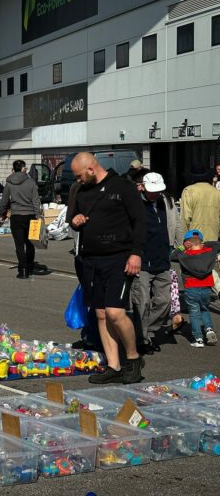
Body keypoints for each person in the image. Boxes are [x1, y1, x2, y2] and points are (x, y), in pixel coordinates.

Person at [69, 152, 146, 384]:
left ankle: (133, 358)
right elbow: (71, 216)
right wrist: (75, 220)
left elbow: (140, 220)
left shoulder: (122, 186)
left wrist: (136, 254)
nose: (78, 180)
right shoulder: (80, 190)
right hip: (91, 259)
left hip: (119, 257)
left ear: (91, 169)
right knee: (101, 314)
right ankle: (113, 365)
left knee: (115, 312)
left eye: (80, 175)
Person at [129, 170, 177, 354]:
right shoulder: (134, 203)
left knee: (165, 302)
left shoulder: (165, 201)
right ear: (143, 187)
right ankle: (142, 339)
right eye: (152, 190)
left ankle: (147, 332)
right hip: (142, 261)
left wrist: (178, 244)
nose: (155, 193)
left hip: (162, 260)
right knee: (143, 302)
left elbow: (175, 223)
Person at [172, 229, 220, 347]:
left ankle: (198, 339)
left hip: (191, 288)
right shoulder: (209, 251)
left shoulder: (184, 255)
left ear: (187, 242)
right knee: (204, 309)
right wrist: (205, 243)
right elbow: (217, 244)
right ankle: (209, 329)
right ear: (201, 242)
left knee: (194, 313)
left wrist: (183, 247)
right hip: (206, 288)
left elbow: (172, 256)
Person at [0, 161, 41, 279]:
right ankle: (30, 266)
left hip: (16, 216)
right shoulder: (31, 182)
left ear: (14, 169)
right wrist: (37, 215)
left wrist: (3, 213)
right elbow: (36, 200)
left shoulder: (9, 183)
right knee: (30, 243)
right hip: (30, 216)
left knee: (19, 245)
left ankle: (22, 270)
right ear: (23, 169)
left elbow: (4, 201)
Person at [181, 163, 220, 242]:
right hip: (214, 237)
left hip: (195, 239)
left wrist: (184, 241)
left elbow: (185, 218)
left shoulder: (188, 191)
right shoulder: (217, 192)